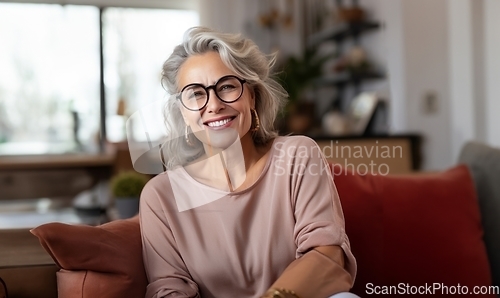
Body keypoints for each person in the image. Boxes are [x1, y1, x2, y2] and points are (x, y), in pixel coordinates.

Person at [139, 26, 357, 298]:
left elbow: (327, 254)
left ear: (252, 96)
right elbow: (168, 289)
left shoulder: (298, 156)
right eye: (196, 94)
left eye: (227, 87)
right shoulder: (160, 196)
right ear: (183, 112)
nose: (214, 104)